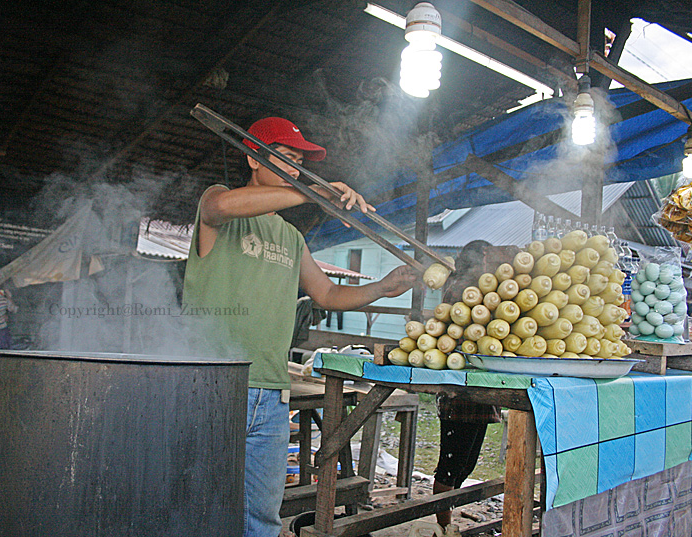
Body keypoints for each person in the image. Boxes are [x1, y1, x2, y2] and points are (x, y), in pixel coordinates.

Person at [182, 116, 416, 537]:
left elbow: (327, 295)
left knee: (262, 517)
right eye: (286, 157)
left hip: (271, 392)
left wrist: (385, 286)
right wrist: (311, 191)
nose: (294, 167)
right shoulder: (219, 202)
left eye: (298, 162)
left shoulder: (291, 238)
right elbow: (217, 208)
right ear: (252, 158)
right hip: (212, 384)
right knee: (198, 508)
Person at [432, 240, 501, 531]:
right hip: (458, 389)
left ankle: (446, 522)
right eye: (487, 257)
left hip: (479, 390)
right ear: (479, 259)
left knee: (466, 464)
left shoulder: (489, 287)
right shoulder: (460, 287)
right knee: (450, 464)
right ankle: (443, 527)